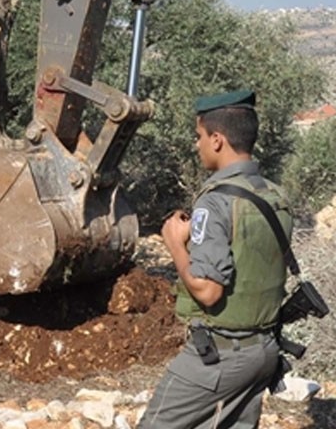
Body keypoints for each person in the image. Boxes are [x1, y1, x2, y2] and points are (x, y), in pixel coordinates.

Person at [139, 89, 293, 429]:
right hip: (264, 350)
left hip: (220, 356)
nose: (197, 145)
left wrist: (176, 245)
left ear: (218, 139)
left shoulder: (216, 202)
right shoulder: (273, 195)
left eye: (200, 136)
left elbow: (208, 291)